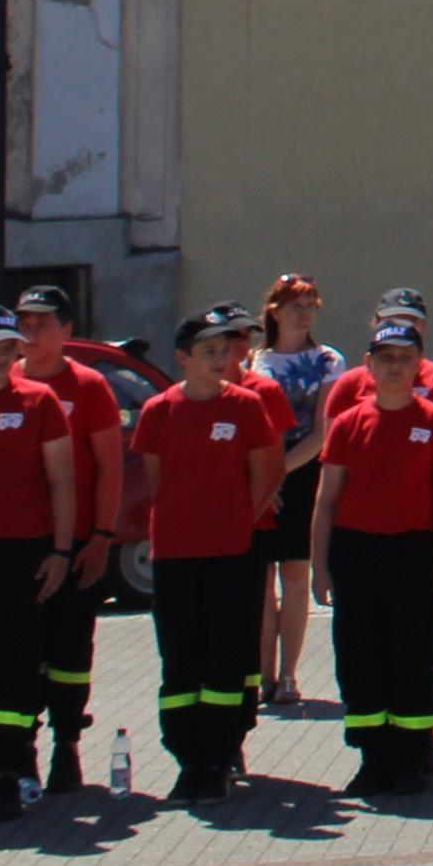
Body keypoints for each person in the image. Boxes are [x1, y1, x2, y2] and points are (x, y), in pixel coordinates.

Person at [311, 316, 433, 797]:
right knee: (359, 654)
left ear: (420, 366)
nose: (395, 368)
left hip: (414, 552)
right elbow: (327, 498)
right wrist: (319, 565)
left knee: (414, 652)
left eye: (405, 359)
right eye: (385, 359)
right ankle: (372, 757)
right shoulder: (349, 422)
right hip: (357, 552)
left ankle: (409, 754)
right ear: (367, 367)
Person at [132, 302, 281, 804]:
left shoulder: (244, 406)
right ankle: (187, 756)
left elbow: (267, 471)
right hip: (175, 554)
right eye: (208, 351)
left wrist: (241, 515)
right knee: (180, 657)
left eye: (225, 349)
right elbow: (157, 476)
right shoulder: (159, 411)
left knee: (225, 655)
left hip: (230, 550)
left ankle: (219, 755)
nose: (220, 359)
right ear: (182, 358)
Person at [0, 306, 76, 827]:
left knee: (16, 665)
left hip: (22, 552)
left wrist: (61, 551)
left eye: (9, 347)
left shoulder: (37, 401)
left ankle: (7, 775)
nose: (3, 357)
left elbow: (61, 482)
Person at [10, 282, 124, 780]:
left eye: (43, 323)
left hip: (77, 541)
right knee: (20, 649)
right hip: (21, 542)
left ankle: (67, 744)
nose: (31, 332)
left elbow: (110, 467)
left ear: (68, 331)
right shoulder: (5, 379)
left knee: (71, 646)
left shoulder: (88, 386)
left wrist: (100, 536)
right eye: (25, 322)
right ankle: (22, 750)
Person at [246, 275, 342, 708]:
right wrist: (265, 478)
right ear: (274, 311)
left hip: (302, 472)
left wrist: (279, 472)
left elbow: (322, 432)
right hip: (261, 473)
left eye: (310, 305)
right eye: (294, 306)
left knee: (296, 575)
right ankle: (263, 673)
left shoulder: (327, 361)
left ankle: (289, 674)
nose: (303, 314)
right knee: (262, 578)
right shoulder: (254, 361)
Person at [324, 286, 433, 445]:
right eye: (392, 321)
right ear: (376, 324)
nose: (400, 329)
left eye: (410, 322)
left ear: (423, 327)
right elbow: (332, 455)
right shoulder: (349, 384)